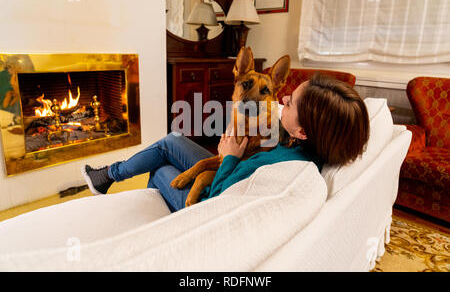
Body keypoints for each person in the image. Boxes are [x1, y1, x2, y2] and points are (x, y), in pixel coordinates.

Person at [82, 74, 370, 213]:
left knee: (160, 170)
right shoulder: (307, 145)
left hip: (205, 203)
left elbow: (219, 198)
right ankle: (107, 176)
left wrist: (229, 156)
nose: (282, 100)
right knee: (172, 140)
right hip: (231, 165)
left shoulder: (280, 165)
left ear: (304, 131)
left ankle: (159, 225)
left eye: (290, 102)